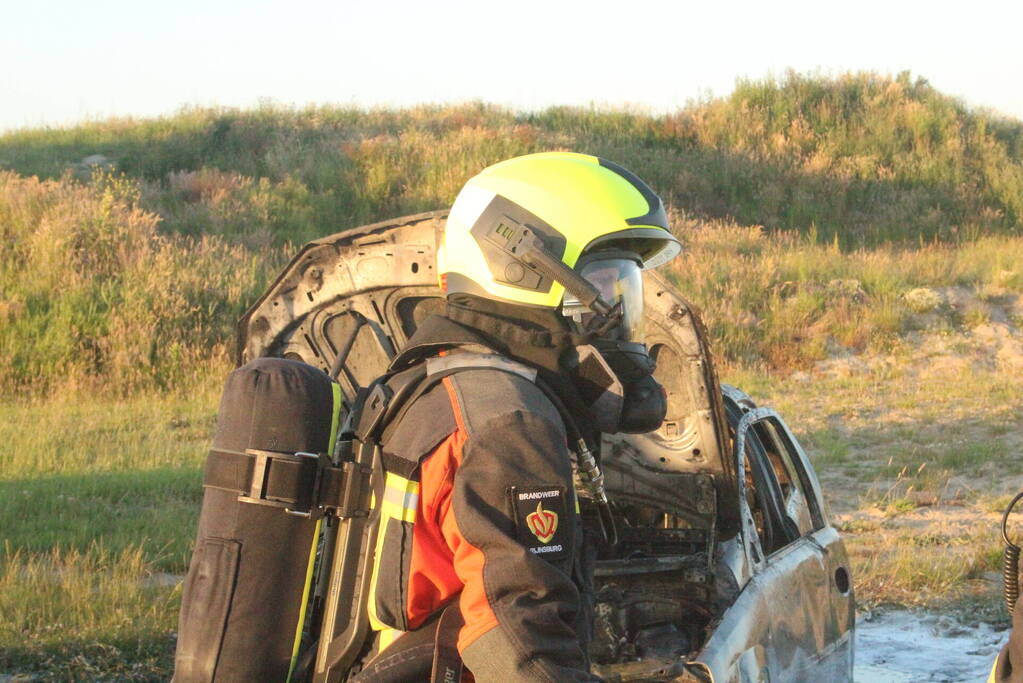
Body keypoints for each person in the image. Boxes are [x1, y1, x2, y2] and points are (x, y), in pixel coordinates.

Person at [351, 152, 682, 682]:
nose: (617, 315)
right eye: (603, 289)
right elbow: (515, 637)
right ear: (522, 266)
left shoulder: (437, 379)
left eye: (625, 291)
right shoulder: (507, 422)